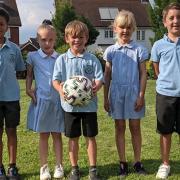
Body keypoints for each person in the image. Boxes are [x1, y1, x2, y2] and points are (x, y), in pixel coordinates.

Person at [52, 20, 103, 180]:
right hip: (70, 108)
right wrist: (61, 90)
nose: (77, 40)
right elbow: (55, 80)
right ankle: (74, 169)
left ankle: (93, 169)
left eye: (80, 37)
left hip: (89, 107)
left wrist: (96, 86)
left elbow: (99, 78)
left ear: (86, 38)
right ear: (67, 38)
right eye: (73, 37)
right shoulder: (61, 60)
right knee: (73, 138)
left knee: (90, 137)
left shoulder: (92, 59)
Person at [103, 10, 148, 177]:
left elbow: (143, 73)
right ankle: (122, 162)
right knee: (120, 127)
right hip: (116, 94)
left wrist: (141, 95)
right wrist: (106, 97)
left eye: (129, 27)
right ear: (115, 28)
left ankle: (137, 162)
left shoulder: (139, 50)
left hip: (134, 93)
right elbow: (107, 76)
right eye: (122, 27)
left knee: (135, 127)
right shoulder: (111, 51)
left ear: (133, 28)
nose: (125, 30)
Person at [26, 22, 64, 180]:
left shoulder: (60, 58)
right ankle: (44, 168)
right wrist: (28, 89)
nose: (47, 43)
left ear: (55, 40)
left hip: (57, 101)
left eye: (50, 40)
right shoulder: (32, 56)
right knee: (43, 135)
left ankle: (59, 166)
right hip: (41, 101)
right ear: (37, 40)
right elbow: (29, 75)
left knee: (57, 135)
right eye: (43, 40)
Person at [151, 3, 180, 179]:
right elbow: (157, 70)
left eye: (179, 17)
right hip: (165, 95)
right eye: (172, 17)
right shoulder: (158, 46)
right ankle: (165, 163)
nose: (176, 21)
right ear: (164, 22)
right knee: (165, 131)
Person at [0, 8, 25, 180]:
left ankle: (12, 167)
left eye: (1, 24)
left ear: (7, 26)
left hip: (11, 99)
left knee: (11, 132)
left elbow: (20, 70)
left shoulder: (14, 49)